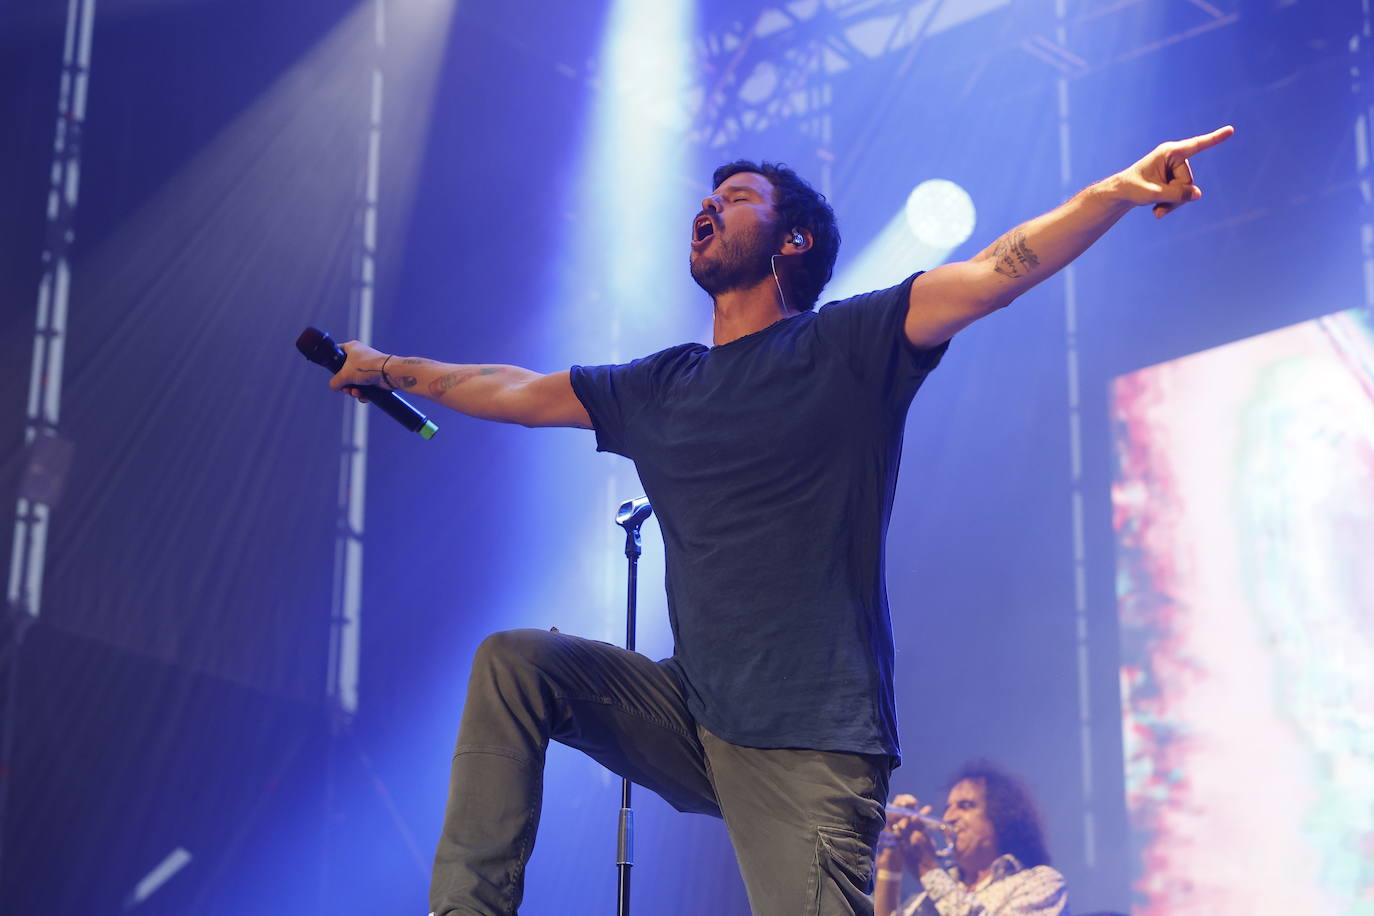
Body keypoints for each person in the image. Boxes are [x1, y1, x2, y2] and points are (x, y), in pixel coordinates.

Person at [327, 125, 1234, 916]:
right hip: (694, 713)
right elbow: (518, 391)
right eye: (707, 196)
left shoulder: (847, 344)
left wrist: (1116, 190)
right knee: (515, 663)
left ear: (790, 239)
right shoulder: (662, 385)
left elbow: (998, 270)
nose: (708, 206)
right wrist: (388, 366)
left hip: (812, 742)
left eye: (736, 196)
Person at [875, 761, 1067, 916]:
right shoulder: (927, 898)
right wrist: (890, 867)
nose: (949, 817)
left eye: (965, 806)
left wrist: (928, 869)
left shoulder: (1040, 883)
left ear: (1000, 818)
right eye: (948, 808)